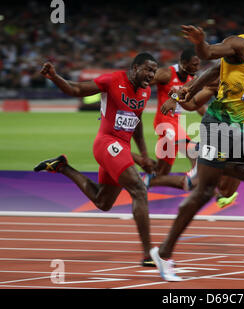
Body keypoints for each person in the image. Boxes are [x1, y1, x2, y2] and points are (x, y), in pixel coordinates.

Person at [150, 7, 244, 281]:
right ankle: (164, 253)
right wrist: (200, 44)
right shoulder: (241, 43)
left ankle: (221, 167)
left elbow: (216, 69)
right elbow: (210, 55)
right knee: (202, 193)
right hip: (219, 127)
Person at [34, 53, 158, 267]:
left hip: (122, 148)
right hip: (107, 143)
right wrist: (55, 77)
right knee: (139, 189)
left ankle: (63, 167)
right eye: (148, 69)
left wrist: (144, 154)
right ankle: (149, 254)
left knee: (103, 202)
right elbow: (77, 90)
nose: (151, 75)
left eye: (154, 71)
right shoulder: (112, 80)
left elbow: (137, 123)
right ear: (135, 67)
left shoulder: (145, 91)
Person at [142, 48, 205, 188]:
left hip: (176, 123)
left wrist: (208, 117)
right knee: (194, 149)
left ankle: (143, 183)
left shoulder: (192, 80)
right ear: (183, 63)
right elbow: (143, 82)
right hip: (164, 122)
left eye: (198, 64)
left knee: (162, 172)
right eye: (194, 65)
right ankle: (195, 175)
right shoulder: (166, 73)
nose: (197, 68)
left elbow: (196, 104)